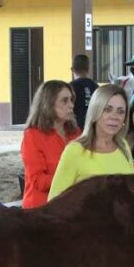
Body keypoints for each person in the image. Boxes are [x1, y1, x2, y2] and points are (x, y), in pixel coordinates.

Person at [47, 84, 134, 200]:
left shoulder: (123, 146)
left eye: (120, 111)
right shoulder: (75, 151)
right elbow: (54, 202)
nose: (114, 117)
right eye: (107, 110)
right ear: (95, 112)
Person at [20, 80, 80, 208]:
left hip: (71, 204)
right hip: (41, 208)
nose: (71, 105)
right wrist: (72, 179)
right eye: (65, 100)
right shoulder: (32, 135)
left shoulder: (75, 133)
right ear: (48, 104)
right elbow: (37, 180)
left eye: (71, 100)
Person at [70, 54, 99, 129]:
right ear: (88, 69)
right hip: (93, 126)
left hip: (76, 127)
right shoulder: (96, 87)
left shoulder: (70, 87)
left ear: (72, 69)